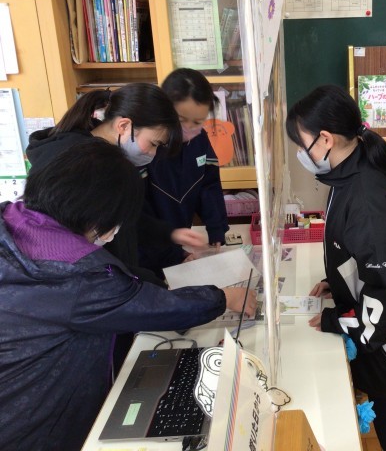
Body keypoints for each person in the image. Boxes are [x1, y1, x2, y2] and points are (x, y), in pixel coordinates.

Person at [0, 141, 257, 451]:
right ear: (98, 211)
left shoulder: (14, 221)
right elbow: (146, 307)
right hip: (33, 427)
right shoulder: (74, 273)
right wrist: (223, 297)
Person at [286, 84, 386, 451]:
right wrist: (339, 281)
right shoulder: (346, 176)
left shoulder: (365, 199)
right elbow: (366, 258)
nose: (300, 153)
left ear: (325, 139)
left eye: (301, 143)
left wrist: (336, 322)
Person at [26, 83, 208, 372]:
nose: (153, 154)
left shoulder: (104, 158)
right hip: (89, 312)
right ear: (124, 125)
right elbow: (95, 266)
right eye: (154, 144)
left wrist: (169, 236)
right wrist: (162, 290)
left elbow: (127, 220)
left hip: (110, 294)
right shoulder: (84, 167)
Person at [141, 68, 229, 278]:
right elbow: (139, 217)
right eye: (181, 120)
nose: (189, 129)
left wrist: (216, 229)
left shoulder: (199, 140)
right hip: (146, 253)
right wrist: (174, 252)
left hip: (180, 244)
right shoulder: (146, 148)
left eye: (197, 122)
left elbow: (209, 185)